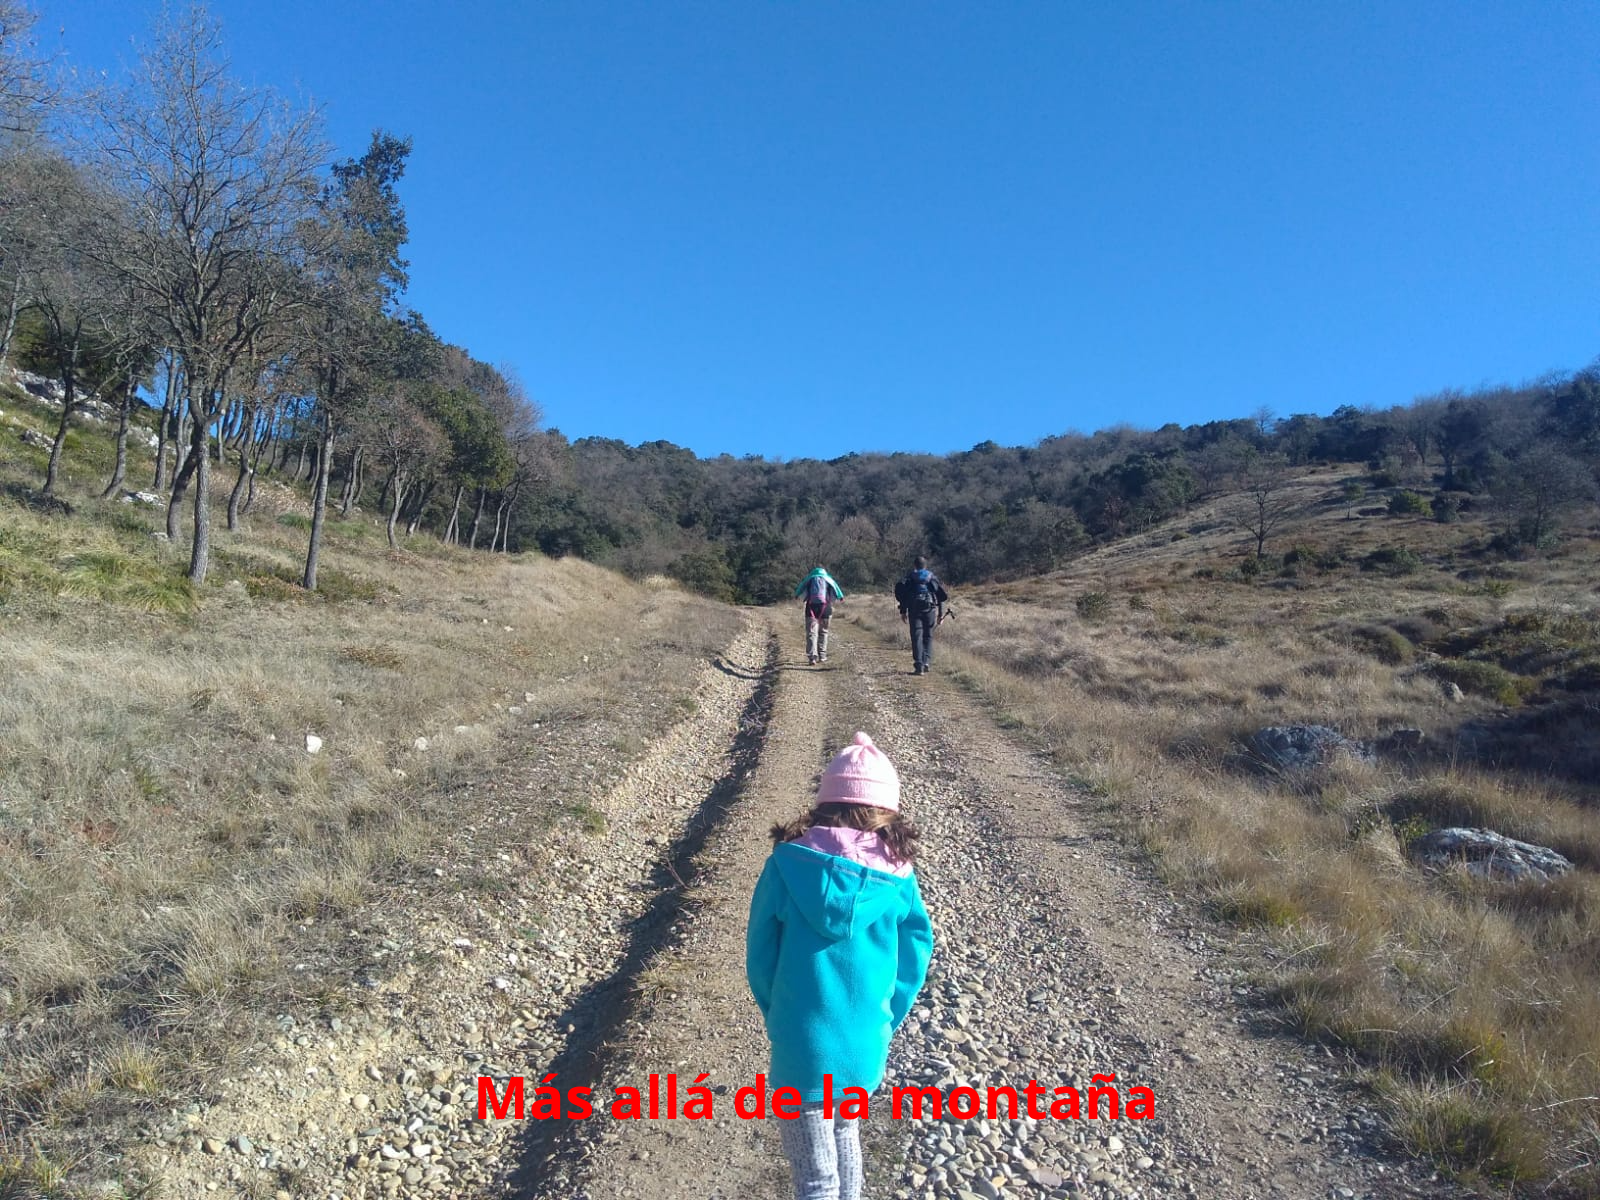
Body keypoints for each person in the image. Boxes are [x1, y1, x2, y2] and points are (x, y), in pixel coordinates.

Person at [746, 733, 934, 1200]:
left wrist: (778, 1014)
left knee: (814, 1180)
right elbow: (916, 953)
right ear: (887, 812)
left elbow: (760, 952)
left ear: (825, 804)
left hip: (801, 1042)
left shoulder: (787, 865)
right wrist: (888, 1013)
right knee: (846, 1134)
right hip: (864, 1039)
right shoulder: (899, 876)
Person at [893, 556, 949, 676]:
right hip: (930, 609)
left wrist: (903, 611)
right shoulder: (931, 577)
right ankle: (926, 662)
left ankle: (919, 666)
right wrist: (940, 614)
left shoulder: (910, 577)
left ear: (915, 566)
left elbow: (904, 596)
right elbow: (940, 597)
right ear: (925, 566)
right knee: (928, 636)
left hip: (914, 609)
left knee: (916, 636)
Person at [795, 566, 844, 666]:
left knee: (811, 633)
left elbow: (800, 589)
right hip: (826, 609)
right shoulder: (828, 578)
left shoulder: (810, 578)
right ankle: (822, 656)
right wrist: (841, 597)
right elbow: (838, 591)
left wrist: (797, 595)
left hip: (811, 608)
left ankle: (812, 658)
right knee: (823, 633)